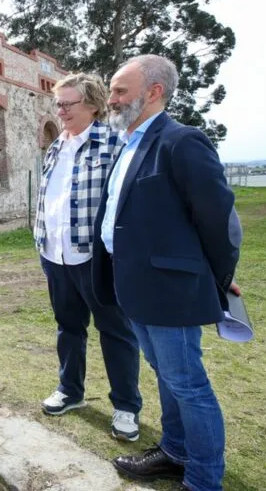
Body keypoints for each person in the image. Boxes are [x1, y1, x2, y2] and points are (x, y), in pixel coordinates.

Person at [91, 55, 241, 491]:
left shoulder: (182, 141)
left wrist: (215, 278)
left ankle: (203, 478)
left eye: (120, 91)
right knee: (167, 376)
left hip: (170, 291)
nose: (112, 99)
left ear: (153, 91)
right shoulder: (130, 142)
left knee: (189, 385)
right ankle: (174, 451)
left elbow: (218, 219)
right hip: (133, 286)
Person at [33, 73, 142, 441]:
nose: (60, 110)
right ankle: (70, 391)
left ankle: (126, 406)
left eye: (68, 104)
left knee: (116, 331)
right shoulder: (54, 148)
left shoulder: (114, 143)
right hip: (55, 254)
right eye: (58, 103)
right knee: (68, 328)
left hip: (96, 259)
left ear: (93, 105)